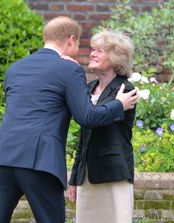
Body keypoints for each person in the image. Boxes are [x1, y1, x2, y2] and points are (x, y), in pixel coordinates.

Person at [0, 17, 139, 223]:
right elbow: (86, 116)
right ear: (71, 40)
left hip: (1, 158)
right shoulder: (69, 69)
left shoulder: (15, 69)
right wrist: (118, 105)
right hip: (40, 161)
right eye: (80, 44)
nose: (83, 52)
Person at [67, 30, 136, 223]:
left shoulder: (125, 90)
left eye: (99, 51)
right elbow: (84, 137)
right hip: (87, 177)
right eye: (92, 49)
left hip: (113, 174)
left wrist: (118, 104)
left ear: (115, 58)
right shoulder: (88, 89)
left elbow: (98, 118)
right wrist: (74, 179)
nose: (92, 54)